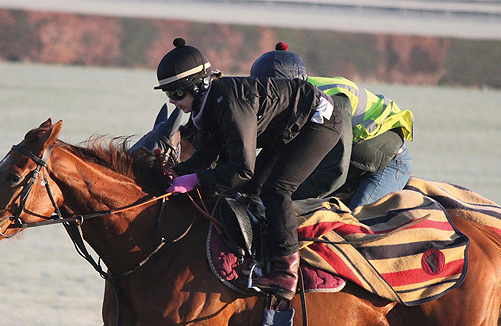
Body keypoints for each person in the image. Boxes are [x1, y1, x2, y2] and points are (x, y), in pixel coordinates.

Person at [157, 38, 344, 301]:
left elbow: (241, 170)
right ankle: (260, 254)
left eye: (176, 94)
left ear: (197, 87)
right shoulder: (208, 105)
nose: (172, 100)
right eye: (167, 94)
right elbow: (205, 155)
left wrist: (196, 179)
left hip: (319, 121)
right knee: (253, 190)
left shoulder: (231, 104)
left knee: (277, 190)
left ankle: (285, 273)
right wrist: (177, 172)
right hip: (287, 125)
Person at [250, 42, 414, 209]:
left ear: (292, 87)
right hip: (356, 164)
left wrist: (284, 196)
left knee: (355, 223)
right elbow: (276, 152)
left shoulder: (329, 102)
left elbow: (335, 171)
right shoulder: (297, 99)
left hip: (387, 165)